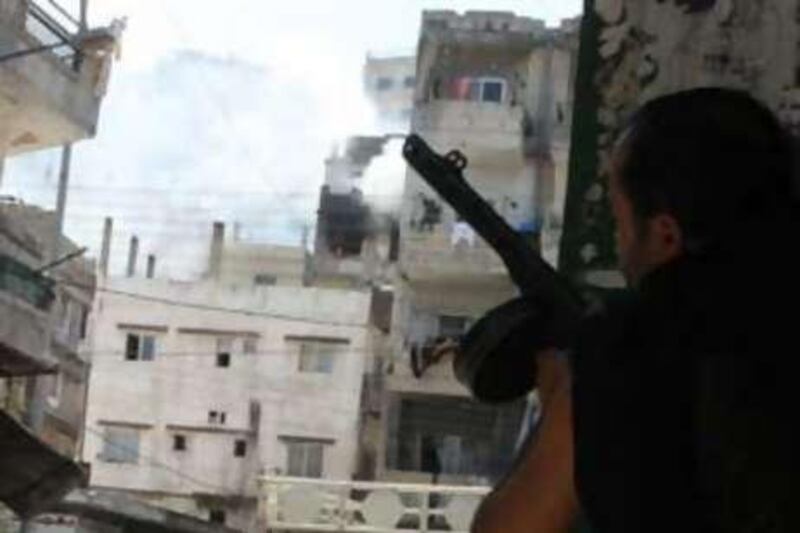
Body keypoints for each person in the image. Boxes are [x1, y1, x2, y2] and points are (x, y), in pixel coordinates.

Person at [472, 88, 800, 532]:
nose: (620, 248)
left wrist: (564, 400)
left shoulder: (626, 345)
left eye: (620, 223)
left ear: (665, 235)